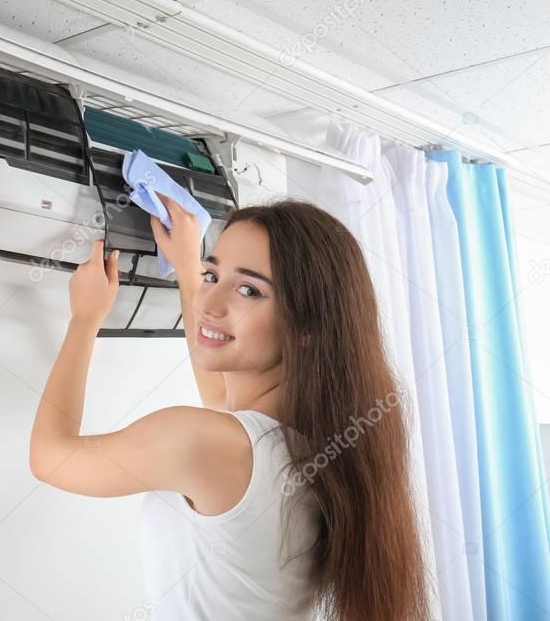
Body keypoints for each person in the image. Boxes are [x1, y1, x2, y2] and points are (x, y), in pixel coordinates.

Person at [29, 194, 431, 620]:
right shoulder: (306, 445)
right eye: (212, 274)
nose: (209, 303)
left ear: (308, 326)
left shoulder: (212, 445)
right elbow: (222, 401)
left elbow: (49, 456)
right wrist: (188, 268)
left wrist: (84, 320)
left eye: (248, 289)